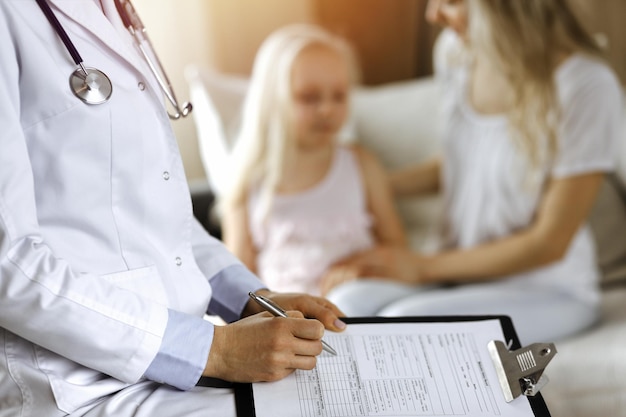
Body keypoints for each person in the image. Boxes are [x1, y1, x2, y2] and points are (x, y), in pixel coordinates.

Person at [0, 2, 346, 416]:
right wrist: (214, 349)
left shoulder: (111, 10)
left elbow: (157, 213)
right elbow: (9, 263)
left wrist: (252, 298)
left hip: (172, 368)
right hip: (78, 385)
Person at [326, 0, 623, 344]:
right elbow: (458, 162)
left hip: (547, 290)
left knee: (403, 323)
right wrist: (362, 186)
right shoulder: (455, 53)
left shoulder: (587, 85)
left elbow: (549, 243)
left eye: (451, 2)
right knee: (344, 304)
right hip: (459, 274)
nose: (432, 15)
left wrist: (418, 266)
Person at [221, 24, 407, 296]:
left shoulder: (361, 165)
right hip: (289, 320)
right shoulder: (248, 182)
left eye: (339, 96)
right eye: (309, 98)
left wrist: (362, 266)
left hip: (360, 303)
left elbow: (398, 250)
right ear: (274, 100)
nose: (327, 110)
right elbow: (238, 280)